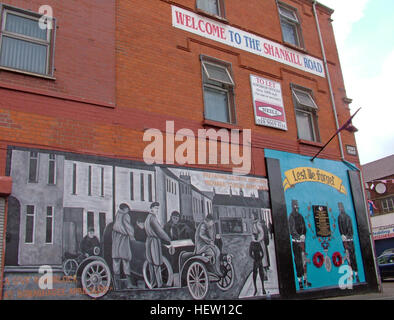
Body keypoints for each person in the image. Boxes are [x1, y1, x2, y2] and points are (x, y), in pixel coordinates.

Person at [144, 202, 172, 288]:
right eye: (156, 208)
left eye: (157, 208)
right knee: (156, 263)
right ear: (151, 208)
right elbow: (160, 231)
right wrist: (168, 240)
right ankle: (159, 284)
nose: (157, 210)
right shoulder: (152, 218)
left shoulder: (148, 218)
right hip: (154, 241)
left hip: (149, 240)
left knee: (151, 263)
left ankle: (153, 284)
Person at [112, 203, 136, 289]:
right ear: (125, 209)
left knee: (116, 262)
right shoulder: (126, 216)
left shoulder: (117, 215)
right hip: (123, 240)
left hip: (116, 241)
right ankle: (129, 284)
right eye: (128, 209)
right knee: (126, 262)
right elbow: (128, 227)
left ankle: (116, 285)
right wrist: (132, 236)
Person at [288, 200, 311, 289]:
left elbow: (304, 227)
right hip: (296, 242)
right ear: (293, 207)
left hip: (302, 242)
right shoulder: (291, 217)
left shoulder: (301, 216)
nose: (297, 208)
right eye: (295, 207)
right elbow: (292, 230)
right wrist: (299, 237)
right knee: (298, 262)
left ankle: (305, 280)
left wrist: (303, 235)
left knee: (304, 261)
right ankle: (300, 282)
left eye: (297, 206)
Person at [337, 202, 360, 282]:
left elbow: (350, 229)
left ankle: (355, 273)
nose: (340, 209)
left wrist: (346, 236)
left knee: (351, 256)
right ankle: (352, 273)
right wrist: (343, 235)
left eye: (341, 207)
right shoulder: (340, 217)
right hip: (346, 239)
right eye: (339, 208)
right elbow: (340, 228)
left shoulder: (347, 217)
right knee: (348, 256)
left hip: (348, 239)